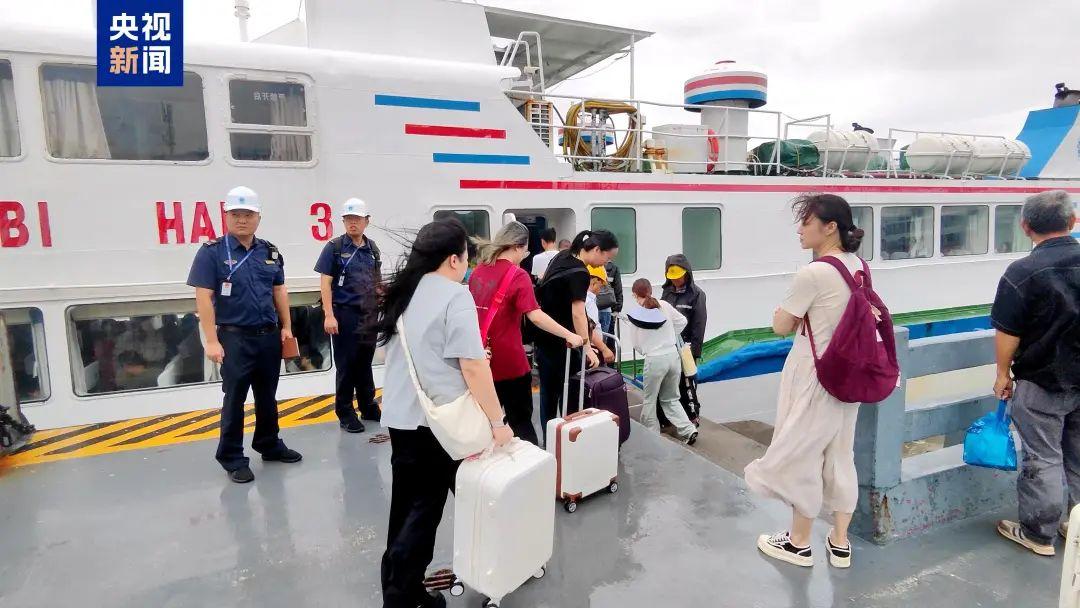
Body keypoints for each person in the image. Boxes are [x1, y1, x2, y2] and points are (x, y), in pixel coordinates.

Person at [375, 218, 514, 608]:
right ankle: (402, 598)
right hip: (436, 423)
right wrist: (498, 422)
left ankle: (402, 587)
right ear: (454, 259)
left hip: (402, 417)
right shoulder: (455, 296)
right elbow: (472, 367)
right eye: (467, 257)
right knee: (424, 511)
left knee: (404, 508)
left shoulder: (406, 291)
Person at [743, 193, 867, 569]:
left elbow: (782, 325)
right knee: (840, 453)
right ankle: (840, 542)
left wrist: (782, 313)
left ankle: (799, 544)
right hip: (848, 375)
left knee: (801, 452)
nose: (800, 229)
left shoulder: (813, 272)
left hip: (814, 374)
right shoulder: (857, 265)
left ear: (829, 227)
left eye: (807, 222)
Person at [187, 186, 302, 484]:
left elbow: (279, 290)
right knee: (234, 398)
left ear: (258, 217)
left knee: (267, 396)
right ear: (226, 216)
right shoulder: (211, 252)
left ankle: (269, 443)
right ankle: (232, 457)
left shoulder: (270, 251)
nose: (242, 220)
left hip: (268, 336)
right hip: (234, 338)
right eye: (236, 214)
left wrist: (286, 326)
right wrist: (211, 340)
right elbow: (203, 297)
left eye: (248, 214)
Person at [990, 190, 1080, 557]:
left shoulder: (1022, 272)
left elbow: (1008, 332)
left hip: (1042, 382)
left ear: (1026, 227)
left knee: (1042, 458)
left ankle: (1038, 535)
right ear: (1072, 222)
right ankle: (1076, 527)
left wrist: (1002, 374)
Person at [469, 222, 585, 445]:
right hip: (511, 364)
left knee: (486, 425)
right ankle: (528, 473)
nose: (524, 255)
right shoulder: (517, 275)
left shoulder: (477, 272)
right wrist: (569, 335)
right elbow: (536, 316)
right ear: (516, 246)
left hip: (481, 360)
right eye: (525, 250)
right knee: (521, 424)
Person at [535, 230, 617, 441]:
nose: (605, 264)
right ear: (597, 250)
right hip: (566, 345)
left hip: (544, 339)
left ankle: (549, 441)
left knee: (547, 397)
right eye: (607, 258)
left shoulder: (561, 257)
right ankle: (566, 443)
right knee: (569, 396)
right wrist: (588, 347)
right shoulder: (580, 272)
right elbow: (578, 314)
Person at [315, 198, 383, 434]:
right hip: (345, 314)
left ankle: (368, 405)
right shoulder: (334, 248)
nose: (352, 223)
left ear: (366, 221)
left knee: (365, 362)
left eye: (356, 219)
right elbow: (325, 282)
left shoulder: (372, 248)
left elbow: (376, 280)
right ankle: (345, 412)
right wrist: (329, 315)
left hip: (369, 314)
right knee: (346, 365)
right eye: (348, 219)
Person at [624, 278, 699, 444]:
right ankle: (688, 429)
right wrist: (671, 335)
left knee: (650, 400)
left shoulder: (636, 314)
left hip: (655, 359)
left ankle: (652, 436)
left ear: (635, 295)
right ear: (651, 290)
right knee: (671, 398)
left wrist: (647, 348)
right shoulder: (664, 305)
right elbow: (682, 321)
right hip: (673, 356)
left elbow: (636, 344)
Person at [661, 254, 707, 412]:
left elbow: (699, 324)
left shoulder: (697, 295)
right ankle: (670, 415)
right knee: (669, 382)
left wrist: (694, 352)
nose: (675, 280)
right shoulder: (667, 293)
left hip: (686, 347)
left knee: (686, 383)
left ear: (686, 274)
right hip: (668, 346)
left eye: (678, 277)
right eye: (672, 277)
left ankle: (691, 415)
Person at [585, 265, 616, 364]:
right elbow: (590, 329)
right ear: (595, 282)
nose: (601, 288)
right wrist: (604, 349)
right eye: (601, 285)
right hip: (593, 350)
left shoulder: (585, 299)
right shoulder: (589, 302)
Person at [596, 257, 623, 347]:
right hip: (608, 308)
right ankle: (609, 359)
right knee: (610, 336)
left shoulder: (589, 266)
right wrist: (617, 308)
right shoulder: (614, 268)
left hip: (594, 306)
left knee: (595, 335)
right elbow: (618, 289)